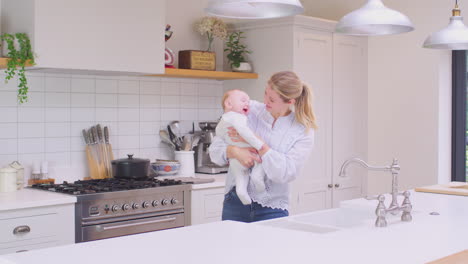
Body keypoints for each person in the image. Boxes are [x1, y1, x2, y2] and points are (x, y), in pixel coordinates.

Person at [209, 71, 317, 223]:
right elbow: (215, 150)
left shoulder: (302, 130)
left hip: (272, 209)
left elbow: (286, 173)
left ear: (290, 102)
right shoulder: (248, 110)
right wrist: (234, 151)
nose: (265, 100)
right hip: (235, 202)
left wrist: (261, 146)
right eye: (265, 93)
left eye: (272, 99)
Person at [216, 89, 266, 205]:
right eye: (243, 100)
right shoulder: (237, 117)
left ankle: (242, 192)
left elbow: (219, 134)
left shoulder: (223, 120)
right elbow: (245, 132)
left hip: (235, 160)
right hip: (251, 153)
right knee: (260, 164)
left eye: (248, 101)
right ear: (228, 104)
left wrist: (231, 147)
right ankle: (258, 181)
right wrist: (259, 145)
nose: (247, 103)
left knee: (240, 179)